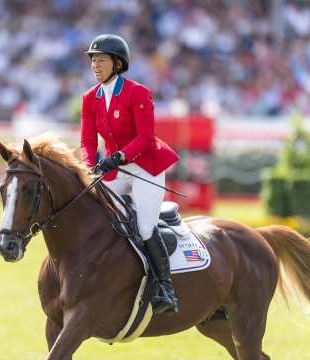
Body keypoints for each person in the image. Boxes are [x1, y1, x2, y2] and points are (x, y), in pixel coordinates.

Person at [80, 34, 180, 314]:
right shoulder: (90, 98)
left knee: (145, 227)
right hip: (115, 170)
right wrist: (88, 166)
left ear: (118, 63)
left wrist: (118, 157)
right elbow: (87, 141)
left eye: (101, 60)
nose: (95, 65)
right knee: (99, 220)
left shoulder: (138, 93)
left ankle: (165, 288)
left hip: (144, 167)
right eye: (93, 61)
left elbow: (146, 138)